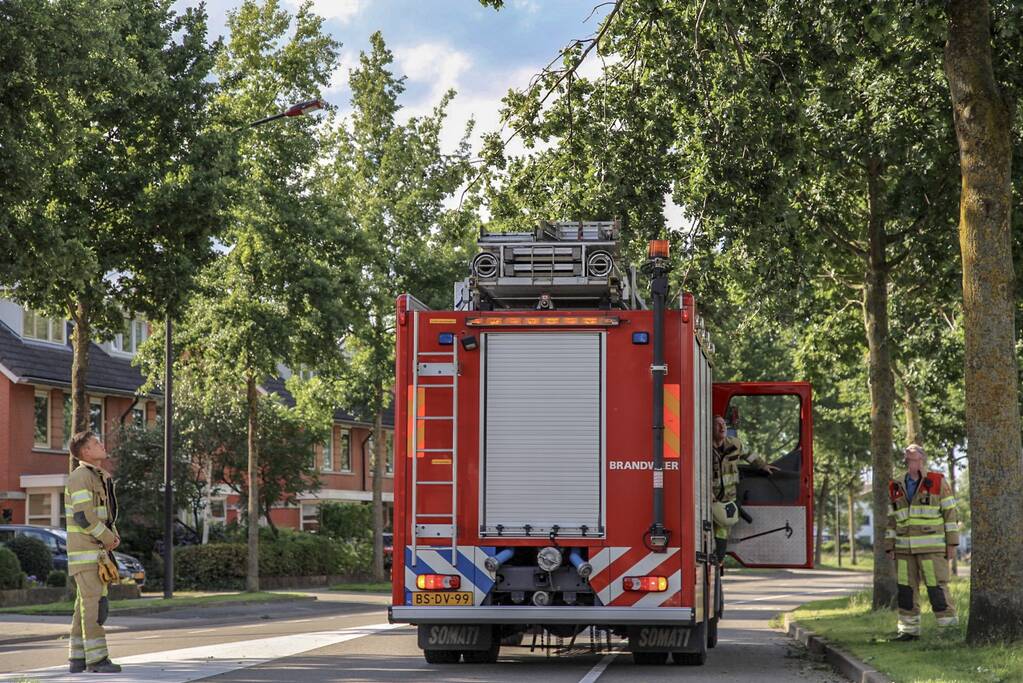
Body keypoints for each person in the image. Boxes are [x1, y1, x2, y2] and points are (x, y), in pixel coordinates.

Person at [884, 443, 959, 641]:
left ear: (922, 459)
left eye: (915, 457)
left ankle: (948, 631)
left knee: (937, 589)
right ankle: (908, 631)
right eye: (908, 458)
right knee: (905, 590)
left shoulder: (937, 481)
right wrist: (889, 546)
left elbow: (950, 514)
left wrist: (952, 545)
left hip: (930, 548)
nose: (911, 460)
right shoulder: (895, 485)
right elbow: (892, 519)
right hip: (903, 549)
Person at [65, 430, 122, 673]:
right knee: (95, 605)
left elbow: (102, 515)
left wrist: (113, 535)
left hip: (94, 553)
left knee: (84, 605)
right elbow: (83, 516)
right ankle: (97, 660)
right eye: (96, 443)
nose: (102, 445)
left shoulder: (95, 476)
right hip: (87, 554)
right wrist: (108, 538)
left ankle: (77, 659)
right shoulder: (80, 477)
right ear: (86, 451)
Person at [711, 414, 778, 562]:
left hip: (728, 499)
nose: (722, 427)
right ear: (710, 428)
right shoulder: (704, 448)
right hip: (709, 499)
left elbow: (750, 455)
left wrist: (763, 466)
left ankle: (718, 559)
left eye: (724, 424)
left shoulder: (735, 444)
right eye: (718, 425)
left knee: (723, 530)